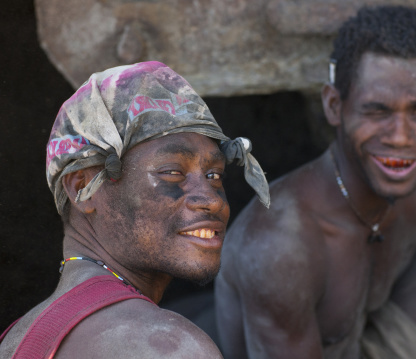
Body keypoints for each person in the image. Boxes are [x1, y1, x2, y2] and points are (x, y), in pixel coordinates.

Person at [215, 5, 416, 359]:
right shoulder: (281, 249)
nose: (400, 137)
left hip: (366, 345)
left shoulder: (414, 206)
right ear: (335, 106)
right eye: (377, 110)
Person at [0, 61, 269, 358]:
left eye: (214, 175)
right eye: (172, 172)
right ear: (82, 188)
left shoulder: (15, 340)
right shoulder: (169, 348)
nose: (213, 200)